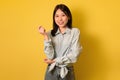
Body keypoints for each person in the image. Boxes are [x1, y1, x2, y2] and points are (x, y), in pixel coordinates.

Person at [38, 4, 82, 80]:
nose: (60, 19)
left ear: (69, 16)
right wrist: (45, 36)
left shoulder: (75, 32)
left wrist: (54, 61)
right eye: (57, 16)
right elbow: (50, 56)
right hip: (51, 72)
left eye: (63, 15)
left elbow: (74, 55)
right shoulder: (49, 34)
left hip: (67, 72)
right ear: (54, 18)